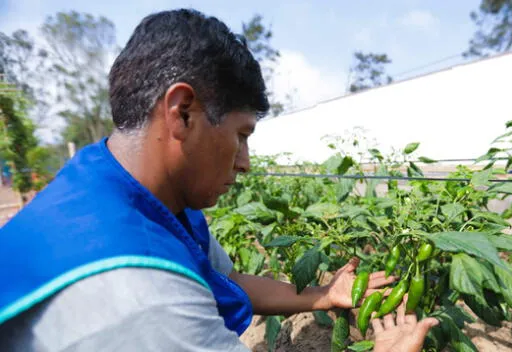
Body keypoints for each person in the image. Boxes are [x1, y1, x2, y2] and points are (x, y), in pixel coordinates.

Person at [0, 9, 438, 351]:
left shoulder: (113, 183)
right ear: (182, 112)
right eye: (241, 135)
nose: (244, 162)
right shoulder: (141, 298)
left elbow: (219, 279)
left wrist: (323, 295)